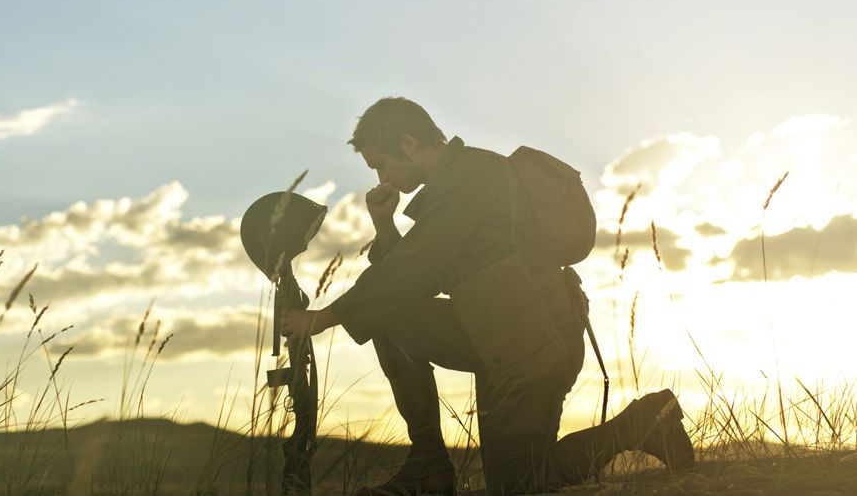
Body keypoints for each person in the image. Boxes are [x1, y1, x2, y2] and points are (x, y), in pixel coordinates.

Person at [281, 97, 694, 495]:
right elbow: (417, 274)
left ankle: (643, 423)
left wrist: (322, 318)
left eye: (381, 164)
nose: (381, 178)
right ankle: (428, 464)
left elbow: (412, 270)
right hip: (501, 338)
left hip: (536, 344)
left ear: (408, 144)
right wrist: (385, 226)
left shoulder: (471, 178)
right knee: (388, 315)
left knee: (521, 484)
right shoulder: (456, 182)